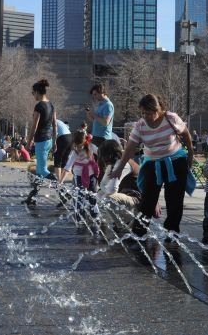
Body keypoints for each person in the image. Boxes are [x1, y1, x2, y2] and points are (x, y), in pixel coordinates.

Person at [110, 94, 194, 238]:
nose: (145, 116)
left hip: (175, 162)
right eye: (143, 113)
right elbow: (130, 148)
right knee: (147, 201)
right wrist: (119, 168)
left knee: (174, 200)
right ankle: (139, 232)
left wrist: (191, 153)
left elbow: (186, 134)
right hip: (153, 164)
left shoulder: (171, 118)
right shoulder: (140, 125)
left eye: (148, 113)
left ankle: (172, 232)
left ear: (158, 109)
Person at [63, 130, 101, 220]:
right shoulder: (74, 152)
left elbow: (100, 152)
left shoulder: (91, 146)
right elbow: (67, 167)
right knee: (80, 195)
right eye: (76, 146)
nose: (78, 148)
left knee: (93, 194)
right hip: (79, 175)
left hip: (91, 174)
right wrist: (61, 181)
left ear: (85, 142)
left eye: (80, 146)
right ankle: (80, 216)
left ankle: (95, 214)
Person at [26, 79, 57, 181]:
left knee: (42, 170)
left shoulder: (39, 106)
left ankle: (60, 187)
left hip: (41, 141)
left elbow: (34, 126)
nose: (33, 95)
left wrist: (29, 142)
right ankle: (33, 195)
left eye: (32, 93)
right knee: (39, 170)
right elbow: (54, 125)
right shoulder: (51, 105)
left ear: (37, 92)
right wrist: (54, 142)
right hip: (48, 140)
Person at [86, 83, 114, 148]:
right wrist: (89, 115)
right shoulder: (100, 105)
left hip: (103, 138)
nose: (94, 97)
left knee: (102, 158)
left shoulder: (108, 105)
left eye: (95, 94)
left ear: (102, 92)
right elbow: (96, 121)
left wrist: (94, 114)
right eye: (93, 95)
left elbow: (105, 122)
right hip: (96, 136)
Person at [53, 118, 72, 183]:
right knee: (64, 160)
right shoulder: (59, 121)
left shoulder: (49, 121)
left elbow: (54, 133)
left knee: (57, 160)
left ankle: (59, 181)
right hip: (70, 137)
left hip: (62, 138)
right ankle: (62, 180)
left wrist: (53, 143)